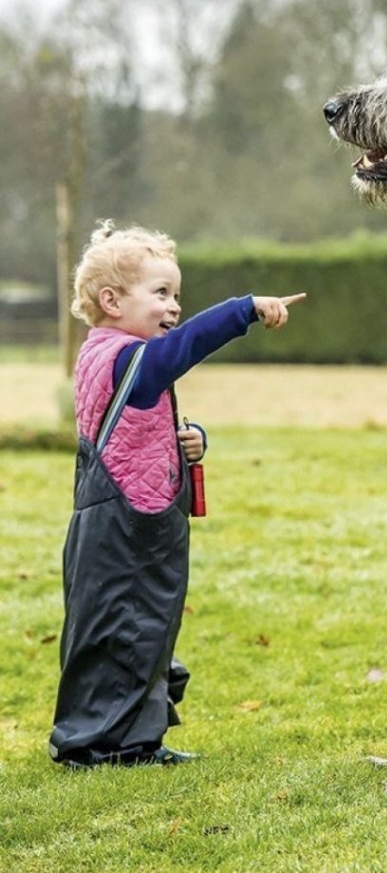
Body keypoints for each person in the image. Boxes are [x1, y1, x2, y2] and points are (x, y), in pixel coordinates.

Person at [48, 221, 305, 769]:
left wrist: (192, 441)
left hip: (148, 523)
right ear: (111, 301)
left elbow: (141, 427)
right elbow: (178, 355)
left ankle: (139, 741)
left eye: (177, 295)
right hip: (119, 529)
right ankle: (89, 745)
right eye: (160, 293)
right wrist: (245, 309)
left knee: (149, 629)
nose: (173, 308)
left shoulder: (130, 357)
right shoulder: (115, 356)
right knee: (116, 629)